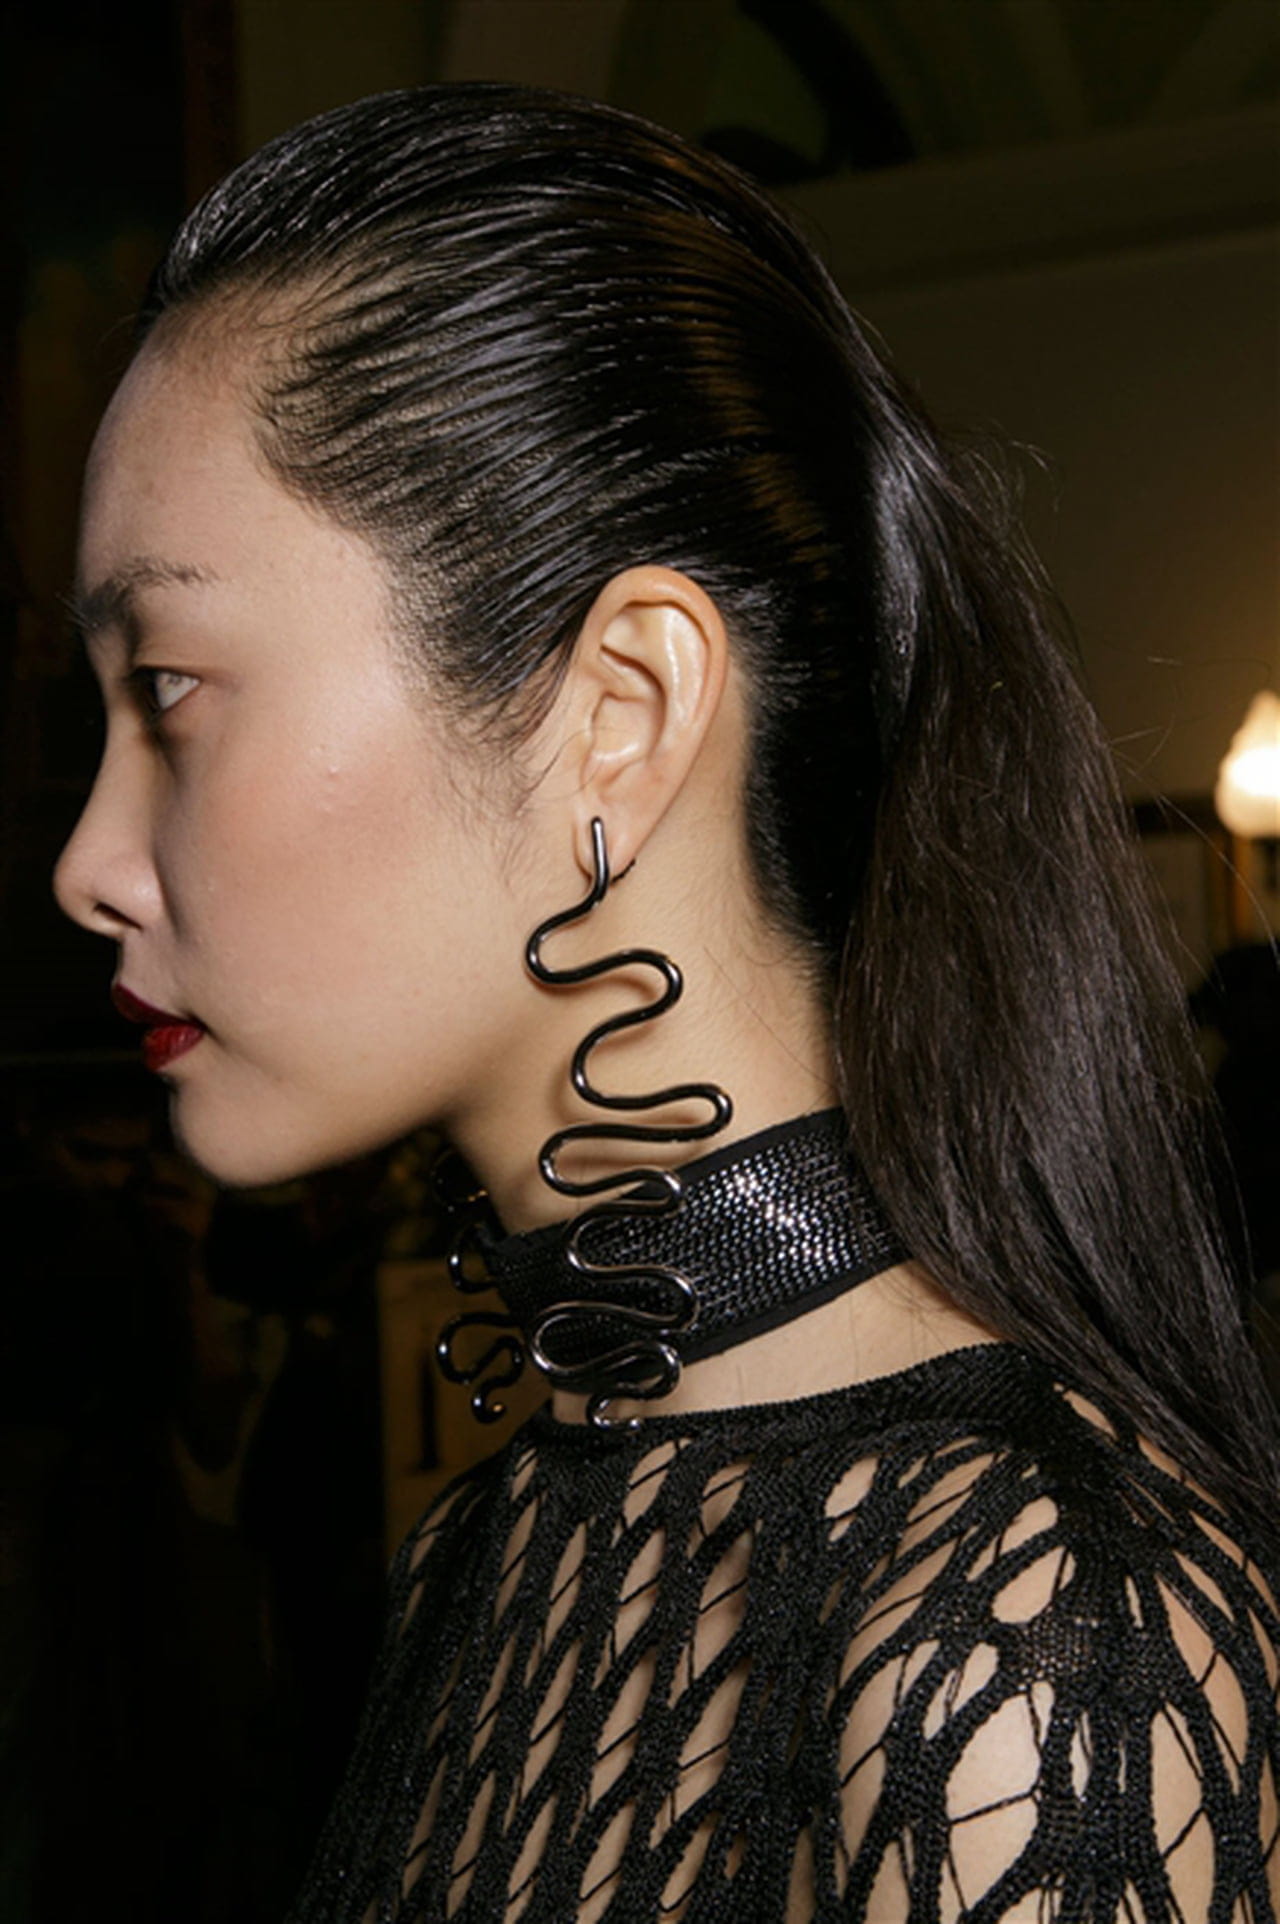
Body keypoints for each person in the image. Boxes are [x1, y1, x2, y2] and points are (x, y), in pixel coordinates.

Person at [54, 83, 1279, 1923]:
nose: (87, 862)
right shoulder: (490, 1548)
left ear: (619, 709)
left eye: (168, 689)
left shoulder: (1027, 1642)